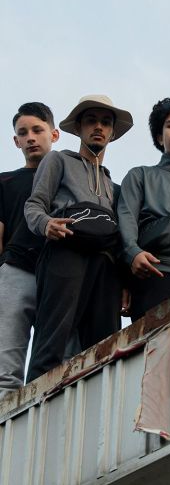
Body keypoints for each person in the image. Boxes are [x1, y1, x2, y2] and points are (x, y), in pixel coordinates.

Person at [25, 95, 133, 383]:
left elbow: (122, 237)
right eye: (91, 120)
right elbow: (34, 205)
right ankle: (33, 411)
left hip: (105, 261)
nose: (98, 127)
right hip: (66, 248)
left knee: (105, 344)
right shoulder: (58, 160)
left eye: (106, 122)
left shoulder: (115, 186)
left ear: (112, 132)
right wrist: (46, 224)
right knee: (52, 336)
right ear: (79, 127)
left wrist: (124, 282)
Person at [117, 97, 170, 322]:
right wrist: (133, 253)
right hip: (154, 274)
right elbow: (126, 219)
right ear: (159, 136)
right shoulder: (140, 175)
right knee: (156, 351)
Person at [0, 103, 59, 393]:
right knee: (6, 365)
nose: (31, 137)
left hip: (58, 275)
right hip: (15, 271)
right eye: (23, 133)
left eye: (38, 130)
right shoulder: (5, 180)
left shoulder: (68, 176)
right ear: (16, 141)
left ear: (55, 134)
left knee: (52, 362)